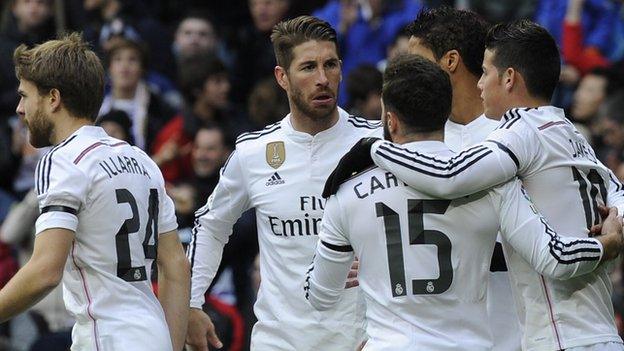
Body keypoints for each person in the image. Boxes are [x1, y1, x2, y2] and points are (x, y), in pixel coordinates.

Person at [326, 20, 624, 350]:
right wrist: (614, 227)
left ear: (509, 78)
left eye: (486, 72)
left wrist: (374, 148)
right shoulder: (569, 132)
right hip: (589, 330)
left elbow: (449, 175)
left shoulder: (518, 135)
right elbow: (617, 190)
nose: (482, 83)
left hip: (559, 336)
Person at [186, 15, 381, 351]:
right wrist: (190, 301)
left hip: (362, 340)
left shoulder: (376, 144)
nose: (323, 79)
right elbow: (212, 224)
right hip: (280, 342)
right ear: (283, 77)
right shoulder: (254, 152)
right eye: (308, 67)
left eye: (330, 64)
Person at [0, 33, 190, 351]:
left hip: (107, 337)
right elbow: (176, 266)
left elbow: (46, 271)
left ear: (53, 98)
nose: (20, 109)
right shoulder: (141, 160)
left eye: (25, 96)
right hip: (152, 334)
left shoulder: (62, 160)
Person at [405, 7, 520, 350]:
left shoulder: (517, 132)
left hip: (513, 328)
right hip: (435, 333)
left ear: (450, 61)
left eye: (417, 60)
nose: (406, 73)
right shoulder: (412, 141)